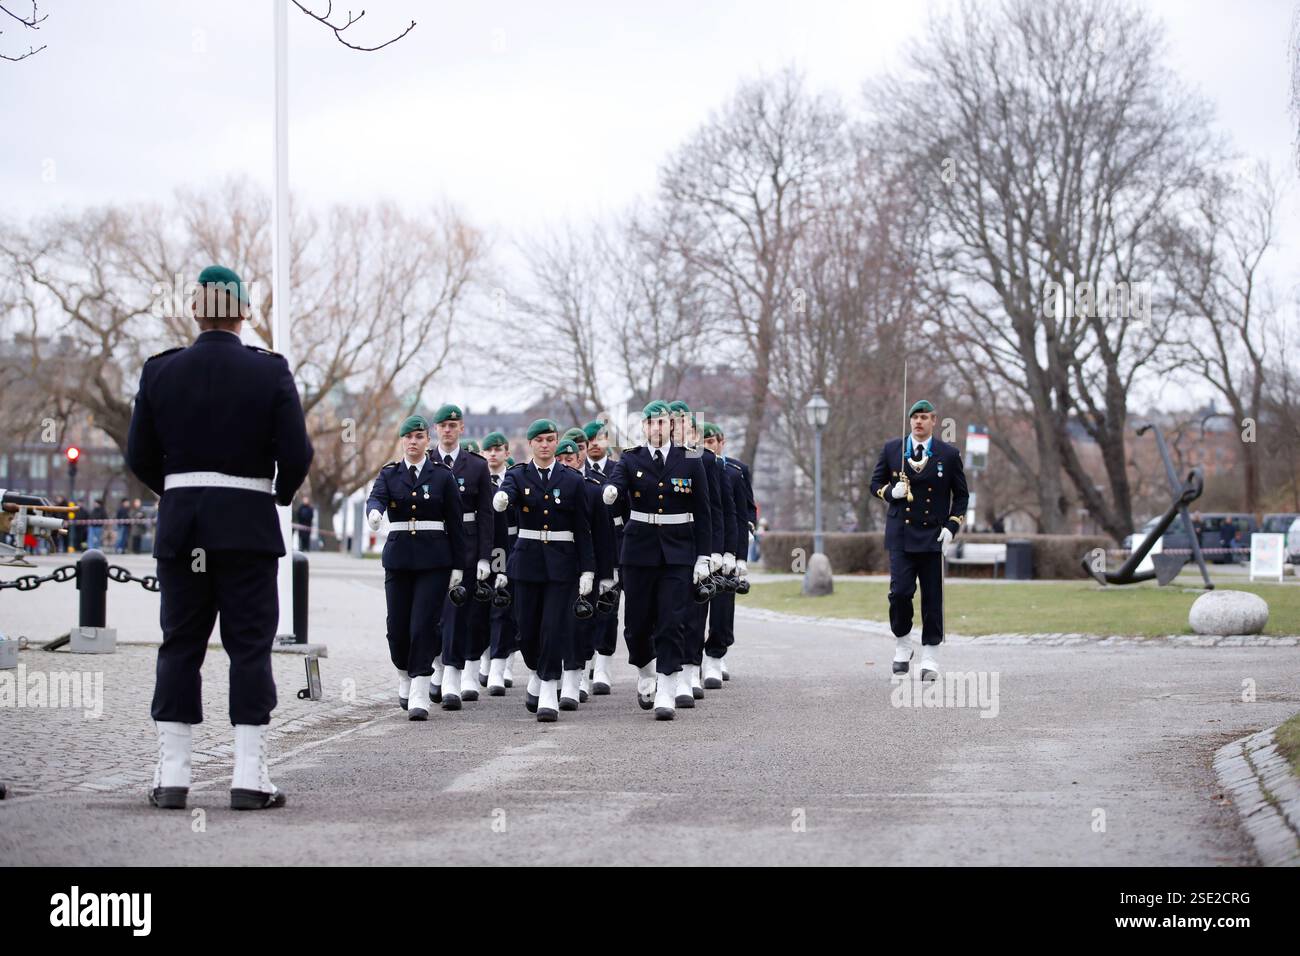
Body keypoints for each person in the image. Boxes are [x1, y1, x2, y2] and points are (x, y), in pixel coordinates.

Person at [126, 264, 314, 811]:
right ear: (245, 312)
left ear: (194, 310)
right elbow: (297, 454)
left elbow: (139, 455)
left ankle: (174, 776)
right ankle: (249, 777)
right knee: (249, 649)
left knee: (180, 646)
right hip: (248, 530)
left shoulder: (160, 371)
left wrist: (179, 493)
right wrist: (275, 498)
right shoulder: (269, 371)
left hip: (183, 529)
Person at [601, 400, 712, 720]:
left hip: (678, 552)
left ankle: (667, 686)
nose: (657, 428)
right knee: (636, 625)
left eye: (663, 422)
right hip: (638, 552)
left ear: (671, 426)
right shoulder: (631, 458)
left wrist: (704, 556)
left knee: (671, 620)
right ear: (644, 427)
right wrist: (611, 491)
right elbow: (618, 484)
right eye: (652, 423)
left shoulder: (689, 460)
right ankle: (647, 671)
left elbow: (704, 513)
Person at [491, 419, 596, 722]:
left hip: (562, 564)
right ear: (531, 444)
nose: (546, 445)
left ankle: (549, 687)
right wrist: (503, 498)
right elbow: (507, 491)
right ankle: (537, 670)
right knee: (526, 631)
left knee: (553, 626)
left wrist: (587, 570)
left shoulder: (572, 480)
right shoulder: (517, 475)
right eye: (540, 440)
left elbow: (583, 530)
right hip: (526, 562)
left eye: (551, 439)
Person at [365, 416, 466, 720]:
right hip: (399, 559)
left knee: (423, 625)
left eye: (419, 436)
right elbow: (376, 498)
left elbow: (456, 523)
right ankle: (404, 673)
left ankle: (421, 686)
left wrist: (459, 566)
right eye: (408, 436)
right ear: (402, 441)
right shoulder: (389, 474)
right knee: (397, 628)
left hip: (434, 560)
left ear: (427, 441)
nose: (413, 441)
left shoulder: (442, 476)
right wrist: (374, 513)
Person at [868, 399, 968, 682]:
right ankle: (902, 645)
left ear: (934, 421)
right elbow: (874, 485)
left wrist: (952, 526)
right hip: (901, 535)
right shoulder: (893, 450)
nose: (919, 422)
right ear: (910, 421)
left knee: (933, 598)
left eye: (924, 417)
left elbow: (961, 496)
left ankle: (931, 655)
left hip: (934, 536)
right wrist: (891, 493)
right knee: (899, 593)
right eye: (915, 418)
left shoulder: (948, 454)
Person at [427, 404, 494, 709]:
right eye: (443, 426)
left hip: (465, 549)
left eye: (454, 426)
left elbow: (486, 516)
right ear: (436, 429)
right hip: (432, 546)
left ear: (462, 429)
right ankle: (436, 667)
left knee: (457, 614)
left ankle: (453, 674)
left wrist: (484, 557)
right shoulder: (427, 461)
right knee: (431, 615)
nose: (449, 430)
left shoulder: (476, 466)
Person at [667, 401, 727, 704]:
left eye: (682, 423)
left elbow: (714, 511)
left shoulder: (704, 461)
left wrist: (714, 552)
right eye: (671, 422)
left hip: (694, 542)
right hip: (663, 544)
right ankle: (666, 671)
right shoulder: (654, 460)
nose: (677, 428)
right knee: (664, 611)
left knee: (694, 610)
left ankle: (690, 670)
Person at [555, 435, 616, 708]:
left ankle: (577, 675)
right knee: (554, 623)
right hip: (556, 564)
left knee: (581, 623)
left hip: (585, 565)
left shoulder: (592, 489)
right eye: (562, 459)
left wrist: (605, 575)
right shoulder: (550, 487)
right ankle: (554, 673)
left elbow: (603, 537)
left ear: (580, 459)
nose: (566, 463)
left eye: (571, 459)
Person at [701, 422, 748, 687]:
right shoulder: (690, 470)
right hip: (698, 550)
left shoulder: (734, 472)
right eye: (703, 442)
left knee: (721, 609)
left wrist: (738, 555)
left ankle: (716, 656)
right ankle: (691, 658)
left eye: (712, 442)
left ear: (721, 442)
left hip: (724, 550)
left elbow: (740, 516)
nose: (708, 447)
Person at [583, 419, 624, 693]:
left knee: (608, 606)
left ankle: (603, 664)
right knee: (584, 605)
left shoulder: (619, 470)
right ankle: (584, 661)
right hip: (586, 545)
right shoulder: (576, 470)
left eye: (599, 438)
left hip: (616, 542)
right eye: (590, 439)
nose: (595, 443)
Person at [481, 431, 519, 695]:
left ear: (507, 452)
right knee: (485, 606)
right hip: (489, 547)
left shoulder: (516, 478)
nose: (493, 454)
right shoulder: (479, 479)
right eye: (489, 450)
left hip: (515, 545)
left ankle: (501, 664)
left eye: (498, 449)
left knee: (506, 608)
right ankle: (486, 660)